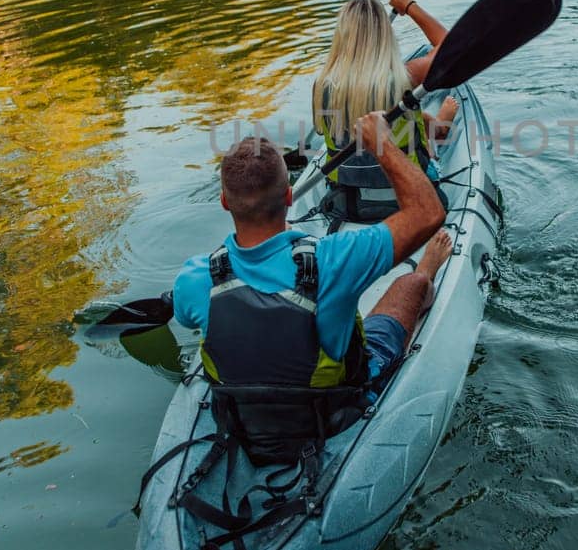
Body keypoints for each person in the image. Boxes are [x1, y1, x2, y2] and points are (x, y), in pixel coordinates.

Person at [172, 121, 451, 400]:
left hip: (241, 414)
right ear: (290, 196)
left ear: (224, 201)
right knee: (411, 283)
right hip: (334, 408)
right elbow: (428, 212)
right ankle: (427, 267)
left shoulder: (194, 278)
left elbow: (186, 317)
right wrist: (382, 143)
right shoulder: (335, 257)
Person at [312, 0, 460, 217]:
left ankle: (437, 127)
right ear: (385, 35)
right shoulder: (406, 77)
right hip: (411, 196)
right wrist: (409, 6)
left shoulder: (322, 85)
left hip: (349, 202)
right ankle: (438, 129)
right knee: (415, 122)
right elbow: (452, 48)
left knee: (408, 118)